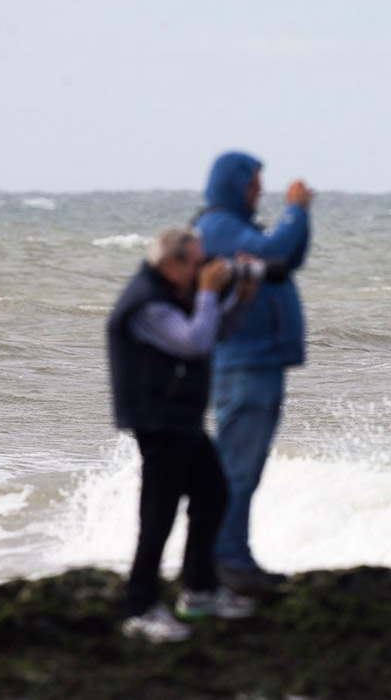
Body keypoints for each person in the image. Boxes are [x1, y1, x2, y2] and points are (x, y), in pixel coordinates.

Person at [107, 227, 257, 642]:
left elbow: (215, 332)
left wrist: (240, 297)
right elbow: (194, 341)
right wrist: (210, 293)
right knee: (158, 516)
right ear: (171, 265)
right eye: (196, 262)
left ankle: (199, 590)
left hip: (181, 419)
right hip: (158, 421)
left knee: (213, 494)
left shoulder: (172, 292)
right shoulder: (146, 303)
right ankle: (137, 607)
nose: (203, 268)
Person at [194, 152, 311, 594]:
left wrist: (300, 218)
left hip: (259, 361)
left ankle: (234, 556)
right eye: (254, 183)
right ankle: (226, 561)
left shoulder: (236, 228)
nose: (260, 191)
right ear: (233, 183)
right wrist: (295, 210)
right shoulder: (219, 226)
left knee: (245, 468)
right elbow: (276, 250)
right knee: (236, 469)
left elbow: (287, 259)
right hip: (244, 364)